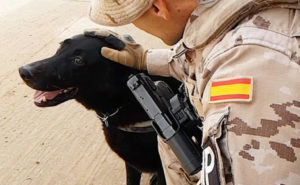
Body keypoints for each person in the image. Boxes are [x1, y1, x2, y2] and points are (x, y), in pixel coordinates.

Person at [86, 0, 300, 184]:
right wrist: (145, 59)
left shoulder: (241, 95)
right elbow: (205, 55)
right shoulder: (243, 14)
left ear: (157, 7)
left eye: (134, 19)